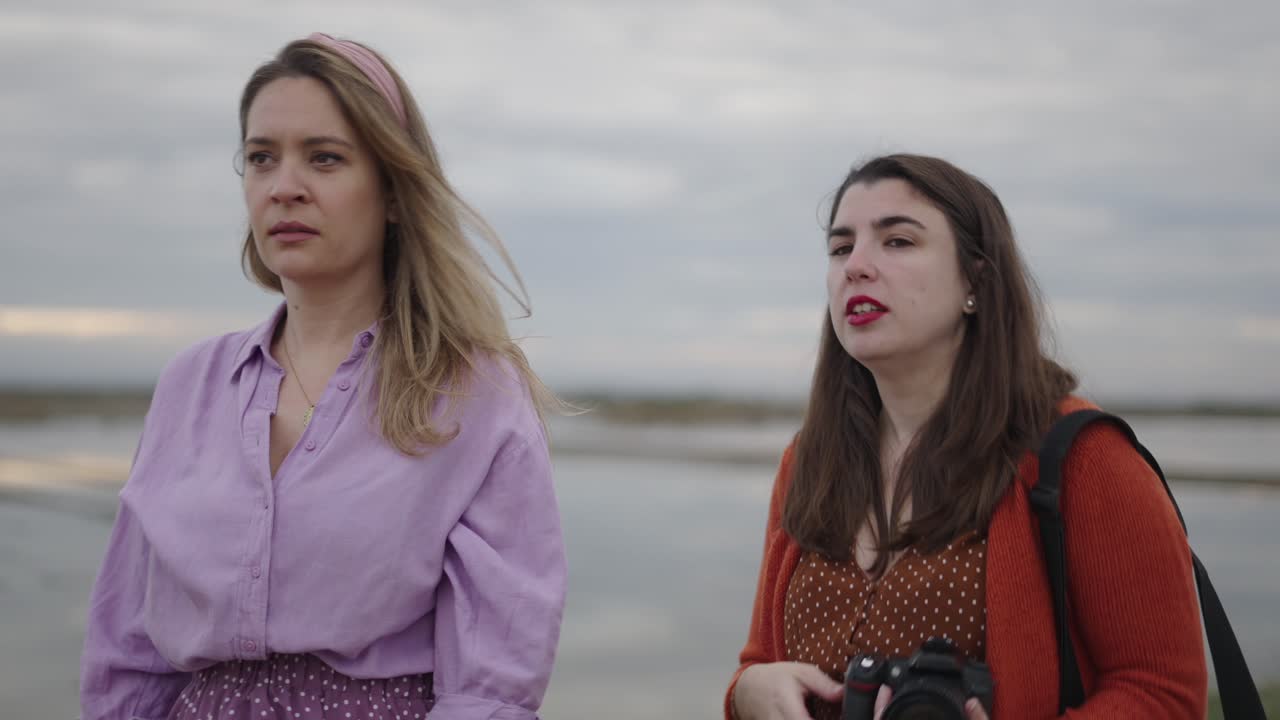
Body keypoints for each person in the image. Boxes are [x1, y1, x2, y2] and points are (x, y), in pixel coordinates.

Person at [80, 34, 566, 720]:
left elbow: (492, 685)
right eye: (260, 158)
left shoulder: (473, 392)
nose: (284, 187)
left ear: (395, 191)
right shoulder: (191, 384)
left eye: (325, 158)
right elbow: (127, 650)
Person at [726, 154, 1207, 719]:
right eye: (840, 248)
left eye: (897, 242)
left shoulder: (1081, 458)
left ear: (975, 280)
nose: (856, 266)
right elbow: (758, 660)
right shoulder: (809, 461)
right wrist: (746, 693)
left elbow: (1163, 695)